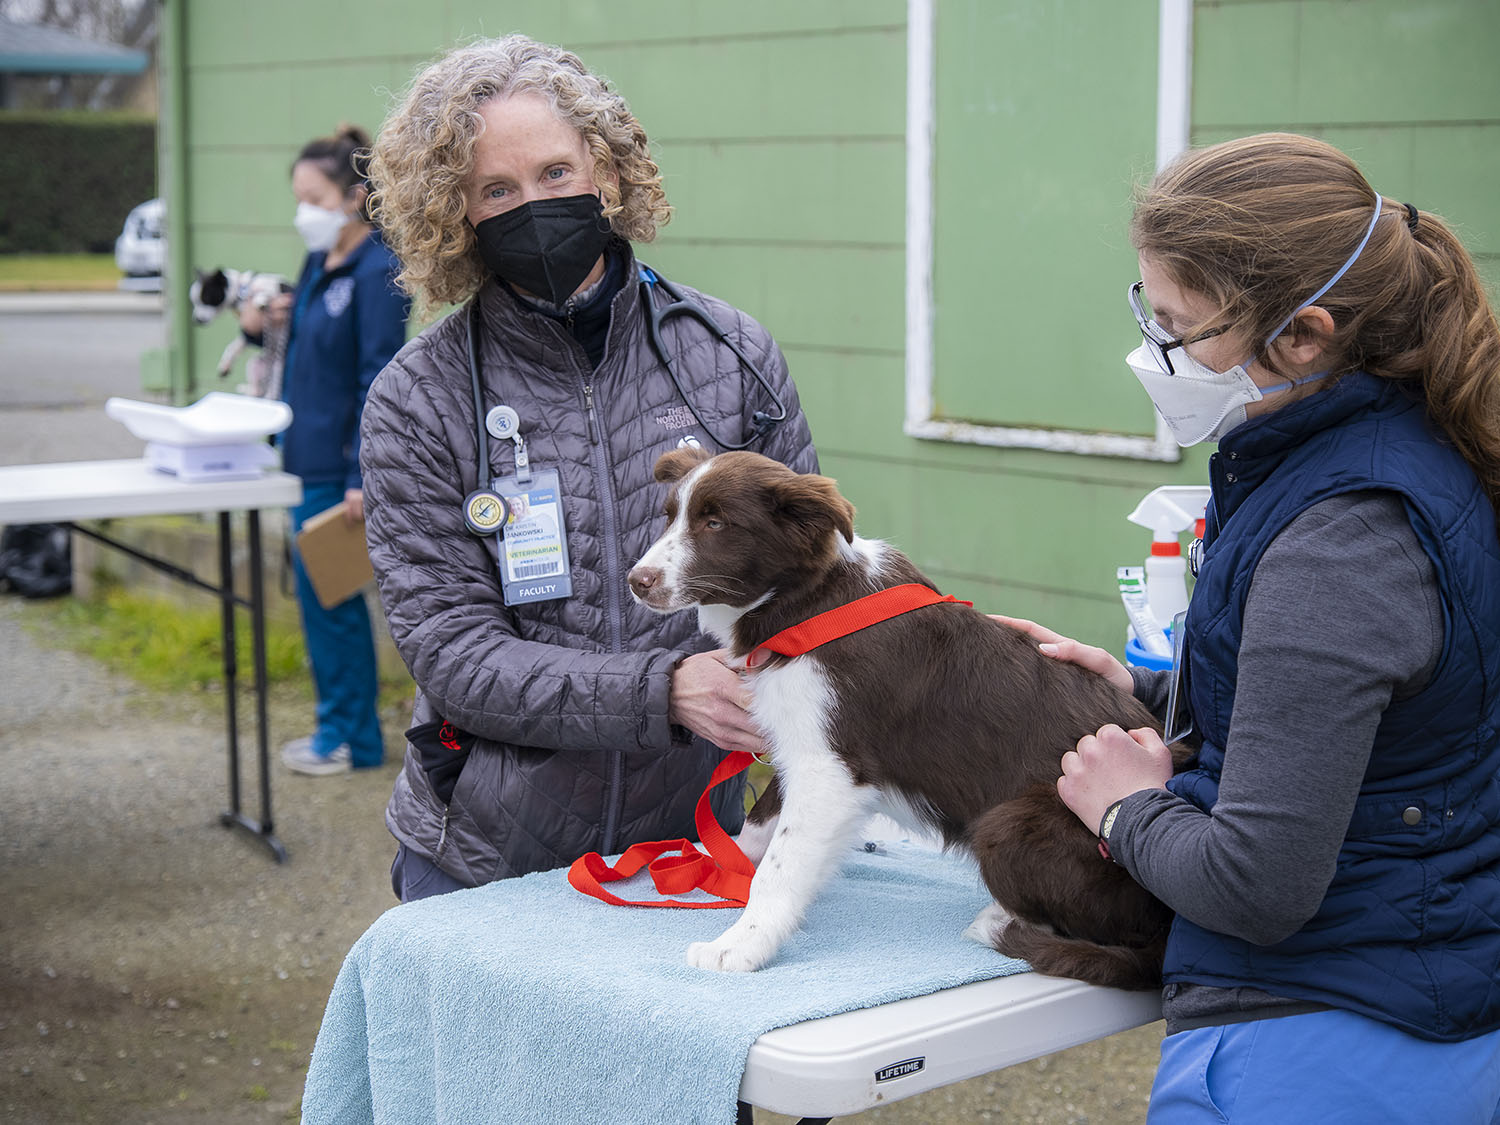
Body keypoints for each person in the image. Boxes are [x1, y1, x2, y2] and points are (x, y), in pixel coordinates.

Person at [1002, 133, 1500, 1122]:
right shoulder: (1397, 449)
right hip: (1424, 1000)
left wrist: (1124, 810)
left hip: (1320, 1044)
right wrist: (1138, 693)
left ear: (1305, 336)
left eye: (1179, 327)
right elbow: (1380, 737)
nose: (1156, 351)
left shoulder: (1342, 537)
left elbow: (1256, 886)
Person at [359, 35, 817, 900]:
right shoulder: (417, 398)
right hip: (486, 861)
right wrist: (665, 689)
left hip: (690, 852)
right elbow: (453, 652)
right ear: (454, 212)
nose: (533, 204)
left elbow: (808, 588)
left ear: (604, 171)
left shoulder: (733, 355)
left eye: (556, 172)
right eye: (497, 189)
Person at [240, 126, 411, 776]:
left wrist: (360, 473)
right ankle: (337, 728)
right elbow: (306, 348)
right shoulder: (320, 262)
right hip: (301, 454)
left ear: (352, 197)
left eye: (313, 197)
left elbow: (378, 377)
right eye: (298, 197)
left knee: (334, 602)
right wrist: (263, 327)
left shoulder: (376, 270)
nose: (302, 211)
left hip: (340, 469)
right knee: (317, 602)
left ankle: (352, 738)